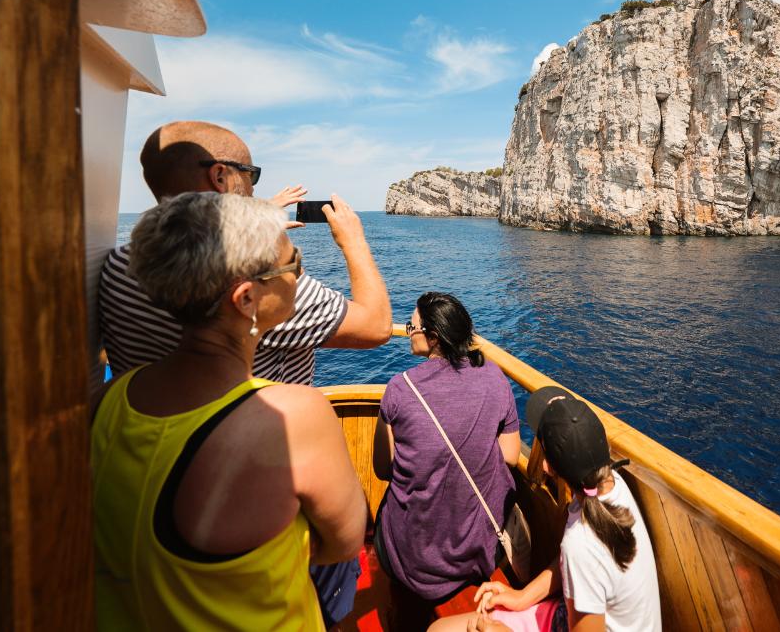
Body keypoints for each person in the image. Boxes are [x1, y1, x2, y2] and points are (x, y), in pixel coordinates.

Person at [91, 192, 366, 630]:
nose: (299, 274)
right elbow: (344, 543)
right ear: (246, 300)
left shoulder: (113, 398)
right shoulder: (292, 416)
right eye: (293, 265)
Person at [98, 119, 392, 386]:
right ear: (220, 176)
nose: (252, 188)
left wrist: (251, 229)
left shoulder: (116, 265)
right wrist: (353, 241)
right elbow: (376, 326)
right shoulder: (257, 284)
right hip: (255, 434)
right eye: (251, 174)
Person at [429, 386, 661, 632]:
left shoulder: (581, 543)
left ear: (548, 466)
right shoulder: (608, 484)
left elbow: (580, 560)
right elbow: (571, 565)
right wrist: (522, 597)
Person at [372, 293, 521, 629]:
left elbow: (383, 469)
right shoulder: (495, 378)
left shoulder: (399, 388)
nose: (408, 331)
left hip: (414, 561)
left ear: (434, 337)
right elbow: (511, 456)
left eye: (412, 326)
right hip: (478, 548)